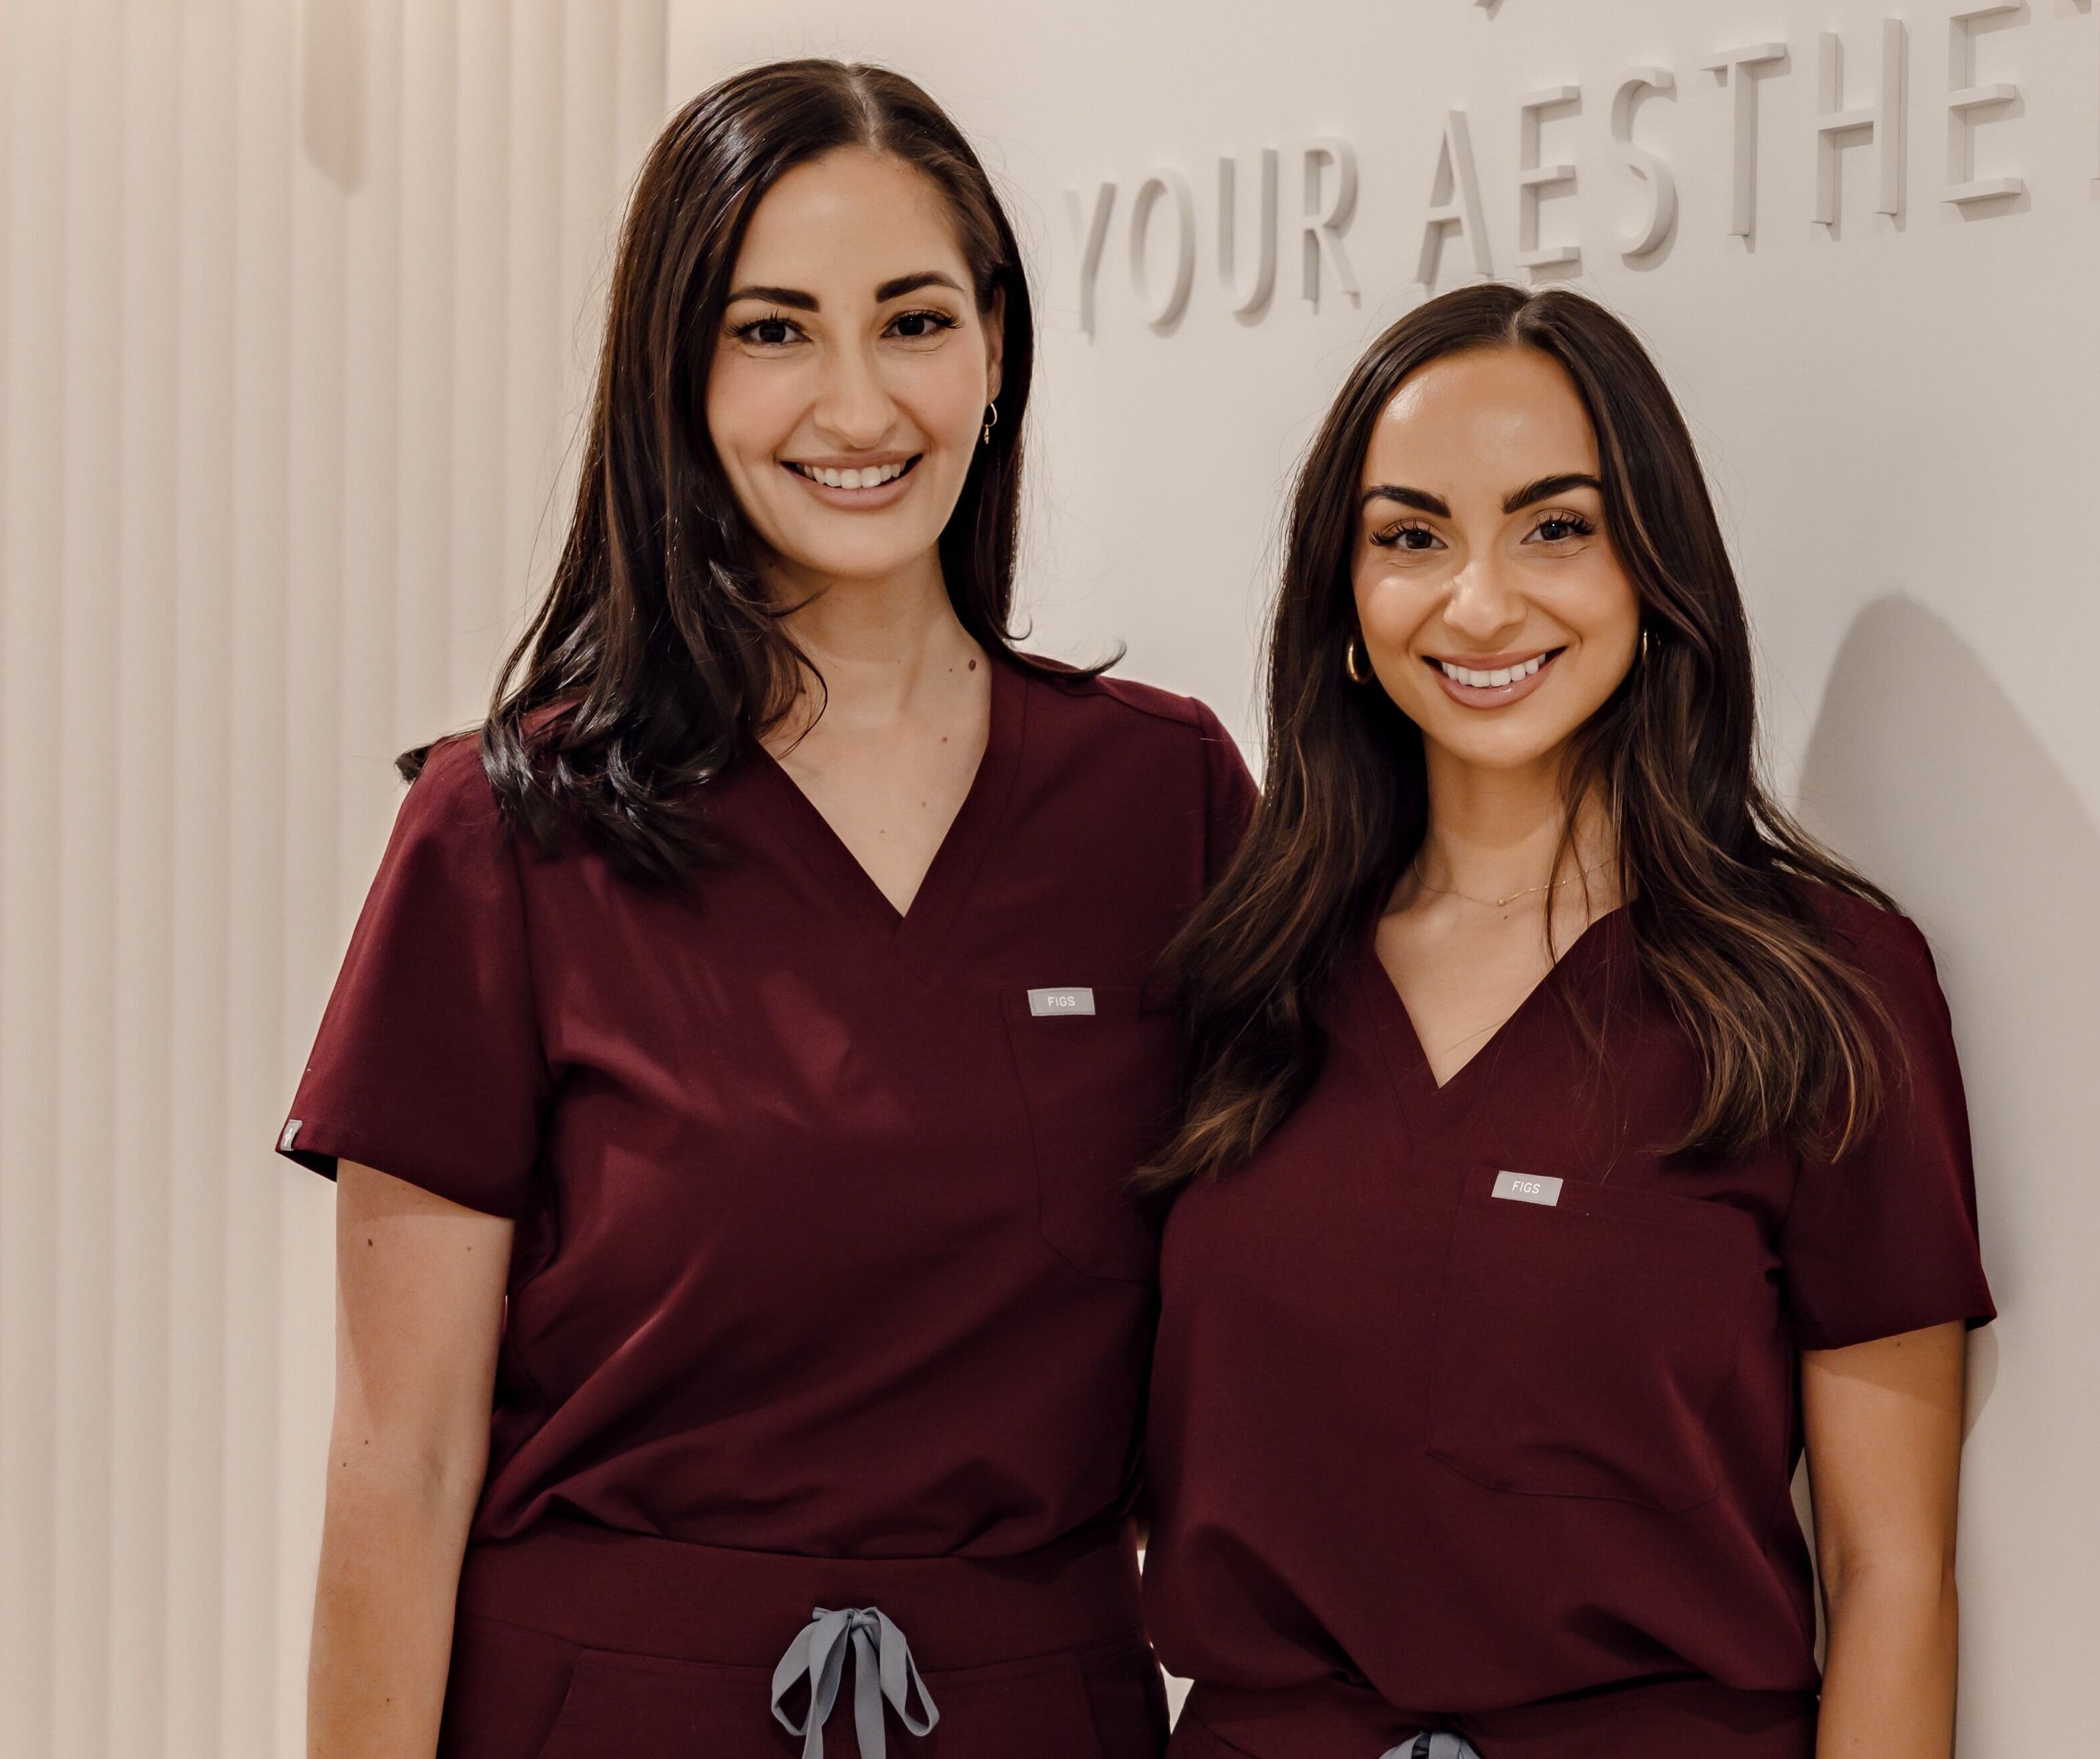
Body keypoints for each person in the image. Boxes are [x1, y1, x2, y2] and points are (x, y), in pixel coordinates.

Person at [279, 60, 1248, 1759]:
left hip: (1036, 1716)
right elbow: (401, 1458)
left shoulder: (1160, 804)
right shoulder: (506, 832)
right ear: (678, 372)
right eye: (774, 329)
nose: (858, 406)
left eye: (915, 321)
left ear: (999, 347)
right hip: (600, 1714)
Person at [1138, 283, 1994, 1759]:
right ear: (1342, 600)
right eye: (1411, 537)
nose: (1480, 601)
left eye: (1555, 527)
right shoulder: (1244, 972)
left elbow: (1892, 1577)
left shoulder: (1823, 989)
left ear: (1655, 570)